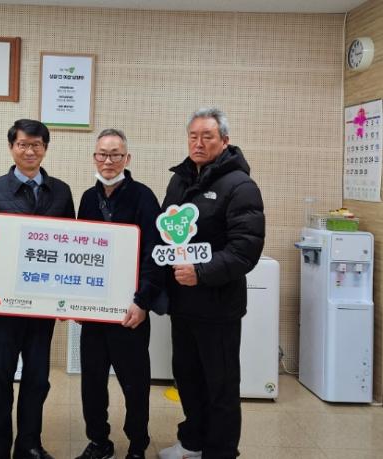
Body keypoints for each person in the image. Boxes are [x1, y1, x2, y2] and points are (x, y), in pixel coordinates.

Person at [158, 108, 265, 459]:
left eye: (207, 136)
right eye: (193, 136)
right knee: (187, 378)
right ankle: (193, 442)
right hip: (182, 304)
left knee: (220, 385)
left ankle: (220, 451)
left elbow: (245, 250)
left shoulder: (240, 186)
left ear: (225, 140)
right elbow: (167, 233)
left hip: (218, 307)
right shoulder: (180, 180)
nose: (199, 143)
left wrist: (201, 272)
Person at [0, 119, 75, 459]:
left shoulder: (61, 192)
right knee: (1, 377)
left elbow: (70, 246)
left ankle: (29, 444)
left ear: (45, 148)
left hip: (43, 302)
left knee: (38, 377)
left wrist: (67, 299)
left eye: (36, 145)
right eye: (23, 144)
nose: (30, 151)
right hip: (4, 302)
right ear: (11, 147)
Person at [75, 129, 163, 459]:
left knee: (135, 384)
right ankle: (99, 441)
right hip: (94, 311)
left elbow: (154, 254)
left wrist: (142, 301)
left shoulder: (144, 197)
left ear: (127, 158)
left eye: (115, 154)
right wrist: (75, 301)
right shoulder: (87, 198)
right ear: (94, 157)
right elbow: (78, 251)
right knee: (92, 382)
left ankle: (137, 444)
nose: (108, 161)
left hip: (131, 310)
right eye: (102, 154)